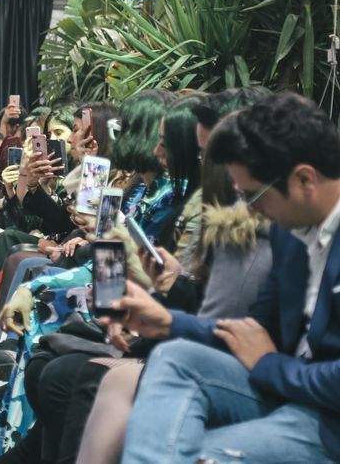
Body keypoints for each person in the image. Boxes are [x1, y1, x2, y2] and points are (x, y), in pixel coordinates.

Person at [113, 92, 340, 464]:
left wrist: (269, 365)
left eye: (252, 195)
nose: (248, 208)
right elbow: (255, 330)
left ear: (304, 180)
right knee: (175, 356)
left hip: (326, 421)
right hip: (284, 392)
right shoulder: (290, 234)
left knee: (202, 456)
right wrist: (169, 322)